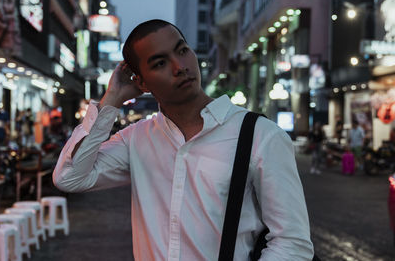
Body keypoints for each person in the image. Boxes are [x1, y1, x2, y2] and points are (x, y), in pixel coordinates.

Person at [53, 19, 314, 260]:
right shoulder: (137, 139)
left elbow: (292, 242)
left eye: (182, 50)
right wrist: (112, 99)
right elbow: (69, 177)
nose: (180, 67)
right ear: (142, 83)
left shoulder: (261, 136)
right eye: (160, 63)